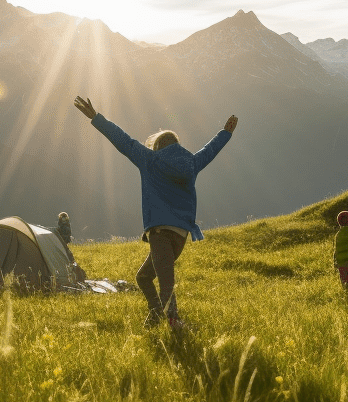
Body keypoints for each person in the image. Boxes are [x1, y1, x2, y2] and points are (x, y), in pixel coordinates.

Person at [74, 95, 236, 329]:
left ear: (159, 145)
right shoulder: (191, 162)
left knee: (165, 282)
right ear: (177, 145)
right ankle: (156, 316)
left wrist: (96, 118)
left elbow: (124, 141)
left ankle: (174, 322)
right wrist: (225, 133)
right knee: (144, 277)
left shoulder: (149, 159)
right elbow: (209, 150)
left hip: (160, 232)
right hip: (181, 235)